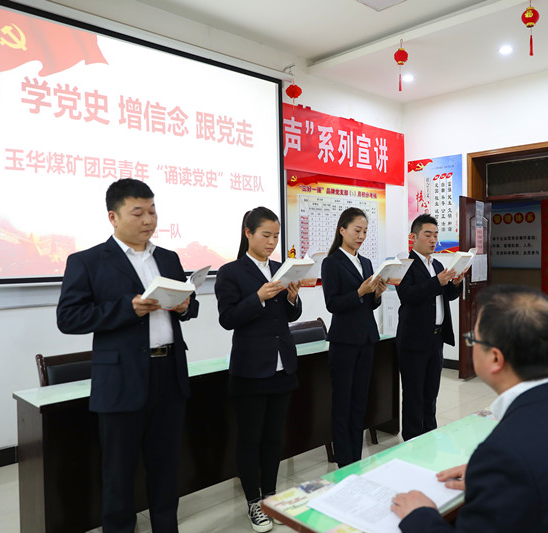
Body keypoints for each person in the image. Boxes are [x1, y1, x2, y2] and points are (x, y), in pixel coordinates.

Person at [390, 285, 548, 532]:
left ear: (495, 358)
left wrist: (419, 515)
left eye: (473, 339)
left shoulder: (504, 454)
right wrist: (490, 480)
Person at [57, 178, 199, 533]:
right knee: (119, 471)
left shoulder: (168, 258)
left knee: (166, 465)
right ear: (113, 217)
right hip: (121, 379)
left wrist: (185, 306)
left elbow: (188, 304)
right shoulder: (88, 261)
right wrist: (127, 308)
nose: (148, 220)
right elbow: (69, 318)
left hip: (169, 373)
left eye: (152, 211)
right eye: (138, 213)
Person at [214, 207, 302, 532]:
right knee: (250, 439)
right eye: (266, 235)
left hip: (282, 366)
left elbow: (289, 316)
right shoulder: (230, 272)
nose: (272, 242)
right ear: (248, 233)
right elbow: (227, 319)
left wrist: (292, 299)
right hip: (250, 369)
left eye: (276, 236)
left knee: (274, 437)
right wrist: (258, 297)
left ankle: (271, 496)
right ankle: (254, 501)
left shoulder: (280, 269)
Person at [321, 207, 387, 467]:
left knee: (360, 402)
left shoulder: (366, 262)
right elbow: (332, 304)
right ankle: (344, 463)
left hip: (367, 339)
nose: (361, 236)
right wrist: (359, 292)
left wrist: (376, 294)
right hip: (344, 342)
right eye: (357, 230)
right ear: (342, 230)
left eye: (365, 232)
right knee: (343, 403)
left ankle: (355, 460)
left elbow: (369, 305)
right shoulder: (331, 262)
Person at [396, 214, 462, 441]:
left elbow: (446, 295)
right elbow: (407, 295)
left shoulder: (437, 264)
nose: (433, 240)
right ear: (413, 237)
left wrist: (455, 284)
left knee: (431, 392)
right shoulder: (404, 265)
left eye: (436, 235)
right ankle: (412, 440)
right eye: (428, 235)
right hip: (413, 340)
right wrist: (437, 282)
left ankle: (429, 436)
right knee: (414, 394)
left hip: (436, 339)